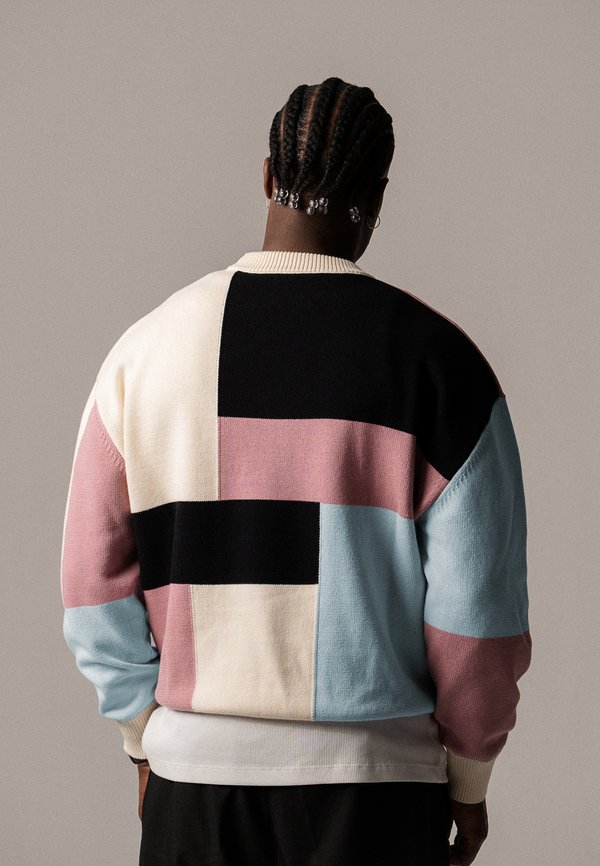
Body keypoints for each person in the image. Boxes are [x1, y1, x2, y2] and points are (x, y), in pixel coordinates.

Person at [60, 76, 532, 866]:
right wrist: (468, 780)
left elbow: (90, 588)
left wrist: (145, 737)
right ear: (377, 197)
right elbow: (478, 618)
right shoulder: (440, 365)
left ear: (266, 176)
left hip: (195, 793)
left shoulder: (143, 356)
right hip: (377, 797)